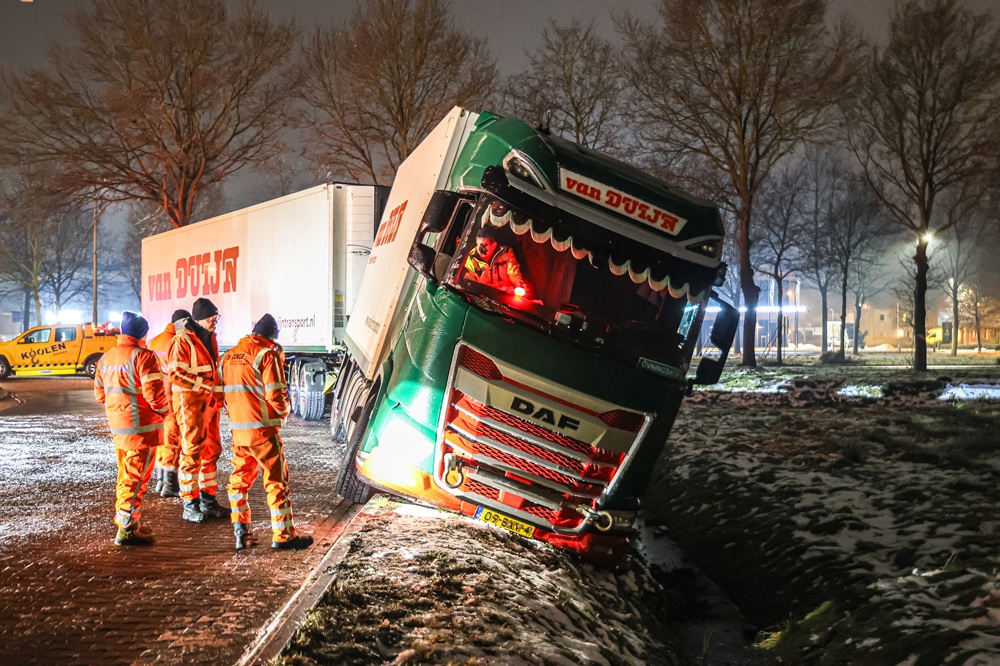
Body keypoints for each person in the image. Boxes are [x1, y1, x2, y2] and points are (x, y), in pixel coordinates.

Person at [220, 314, 313, 551]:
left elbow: (219, 392)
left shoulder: (229, 356)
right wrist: (282, 416)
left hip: (239, 433)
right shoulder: (266, 355)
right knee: (276, 483)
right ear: (272, 338)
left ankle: (241, 534)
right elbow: (276, 395)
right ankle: (283, 536)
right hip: (262, 432)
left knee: (238, 483)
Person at [94, 310, 169, 546]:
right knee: (136, 479)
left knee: (125, 476)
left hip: (120, 429)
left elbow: (100, 395)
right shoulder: (144, 357)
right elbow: (155, 395)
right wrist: (164, 412)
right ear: (142, 333)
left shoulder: (105, 358)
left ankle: (130, 521)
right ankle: (126, 529)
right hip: (142, 429)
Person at [167, 297, 225, 524]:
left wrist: (219, 397)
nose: (215, 322)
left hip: (208, 404)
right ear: (200, 319)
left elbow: (214, 371)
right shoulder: (181, 341)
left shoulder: (209, 338)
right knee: (191, 452)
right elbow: (176, 374)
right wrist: (206, 386)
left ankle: (208, 500)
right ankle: (189, 503)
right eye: (212, 318)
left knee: (211, 450)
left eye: (216, 317)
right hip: (189, 403)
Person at [148, 308, 191, 498]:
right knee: (172, 441)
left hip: (154, 397)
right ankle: (169, 485)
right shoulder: (176, 343)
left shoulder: (154, 341)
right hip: (170, 397)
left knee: (160, 440)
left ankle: (159, 481)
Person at [462, 224, 531, 296]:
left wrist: (519, 283)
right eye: (478, 244)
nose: (479, 249)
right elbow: (469, 283)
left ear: (494, 245)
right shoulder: (470, 259)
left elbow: (513, 273)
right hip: (482, 296)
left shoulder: (507, 254)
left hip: (506, 296)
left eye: (484, 245)